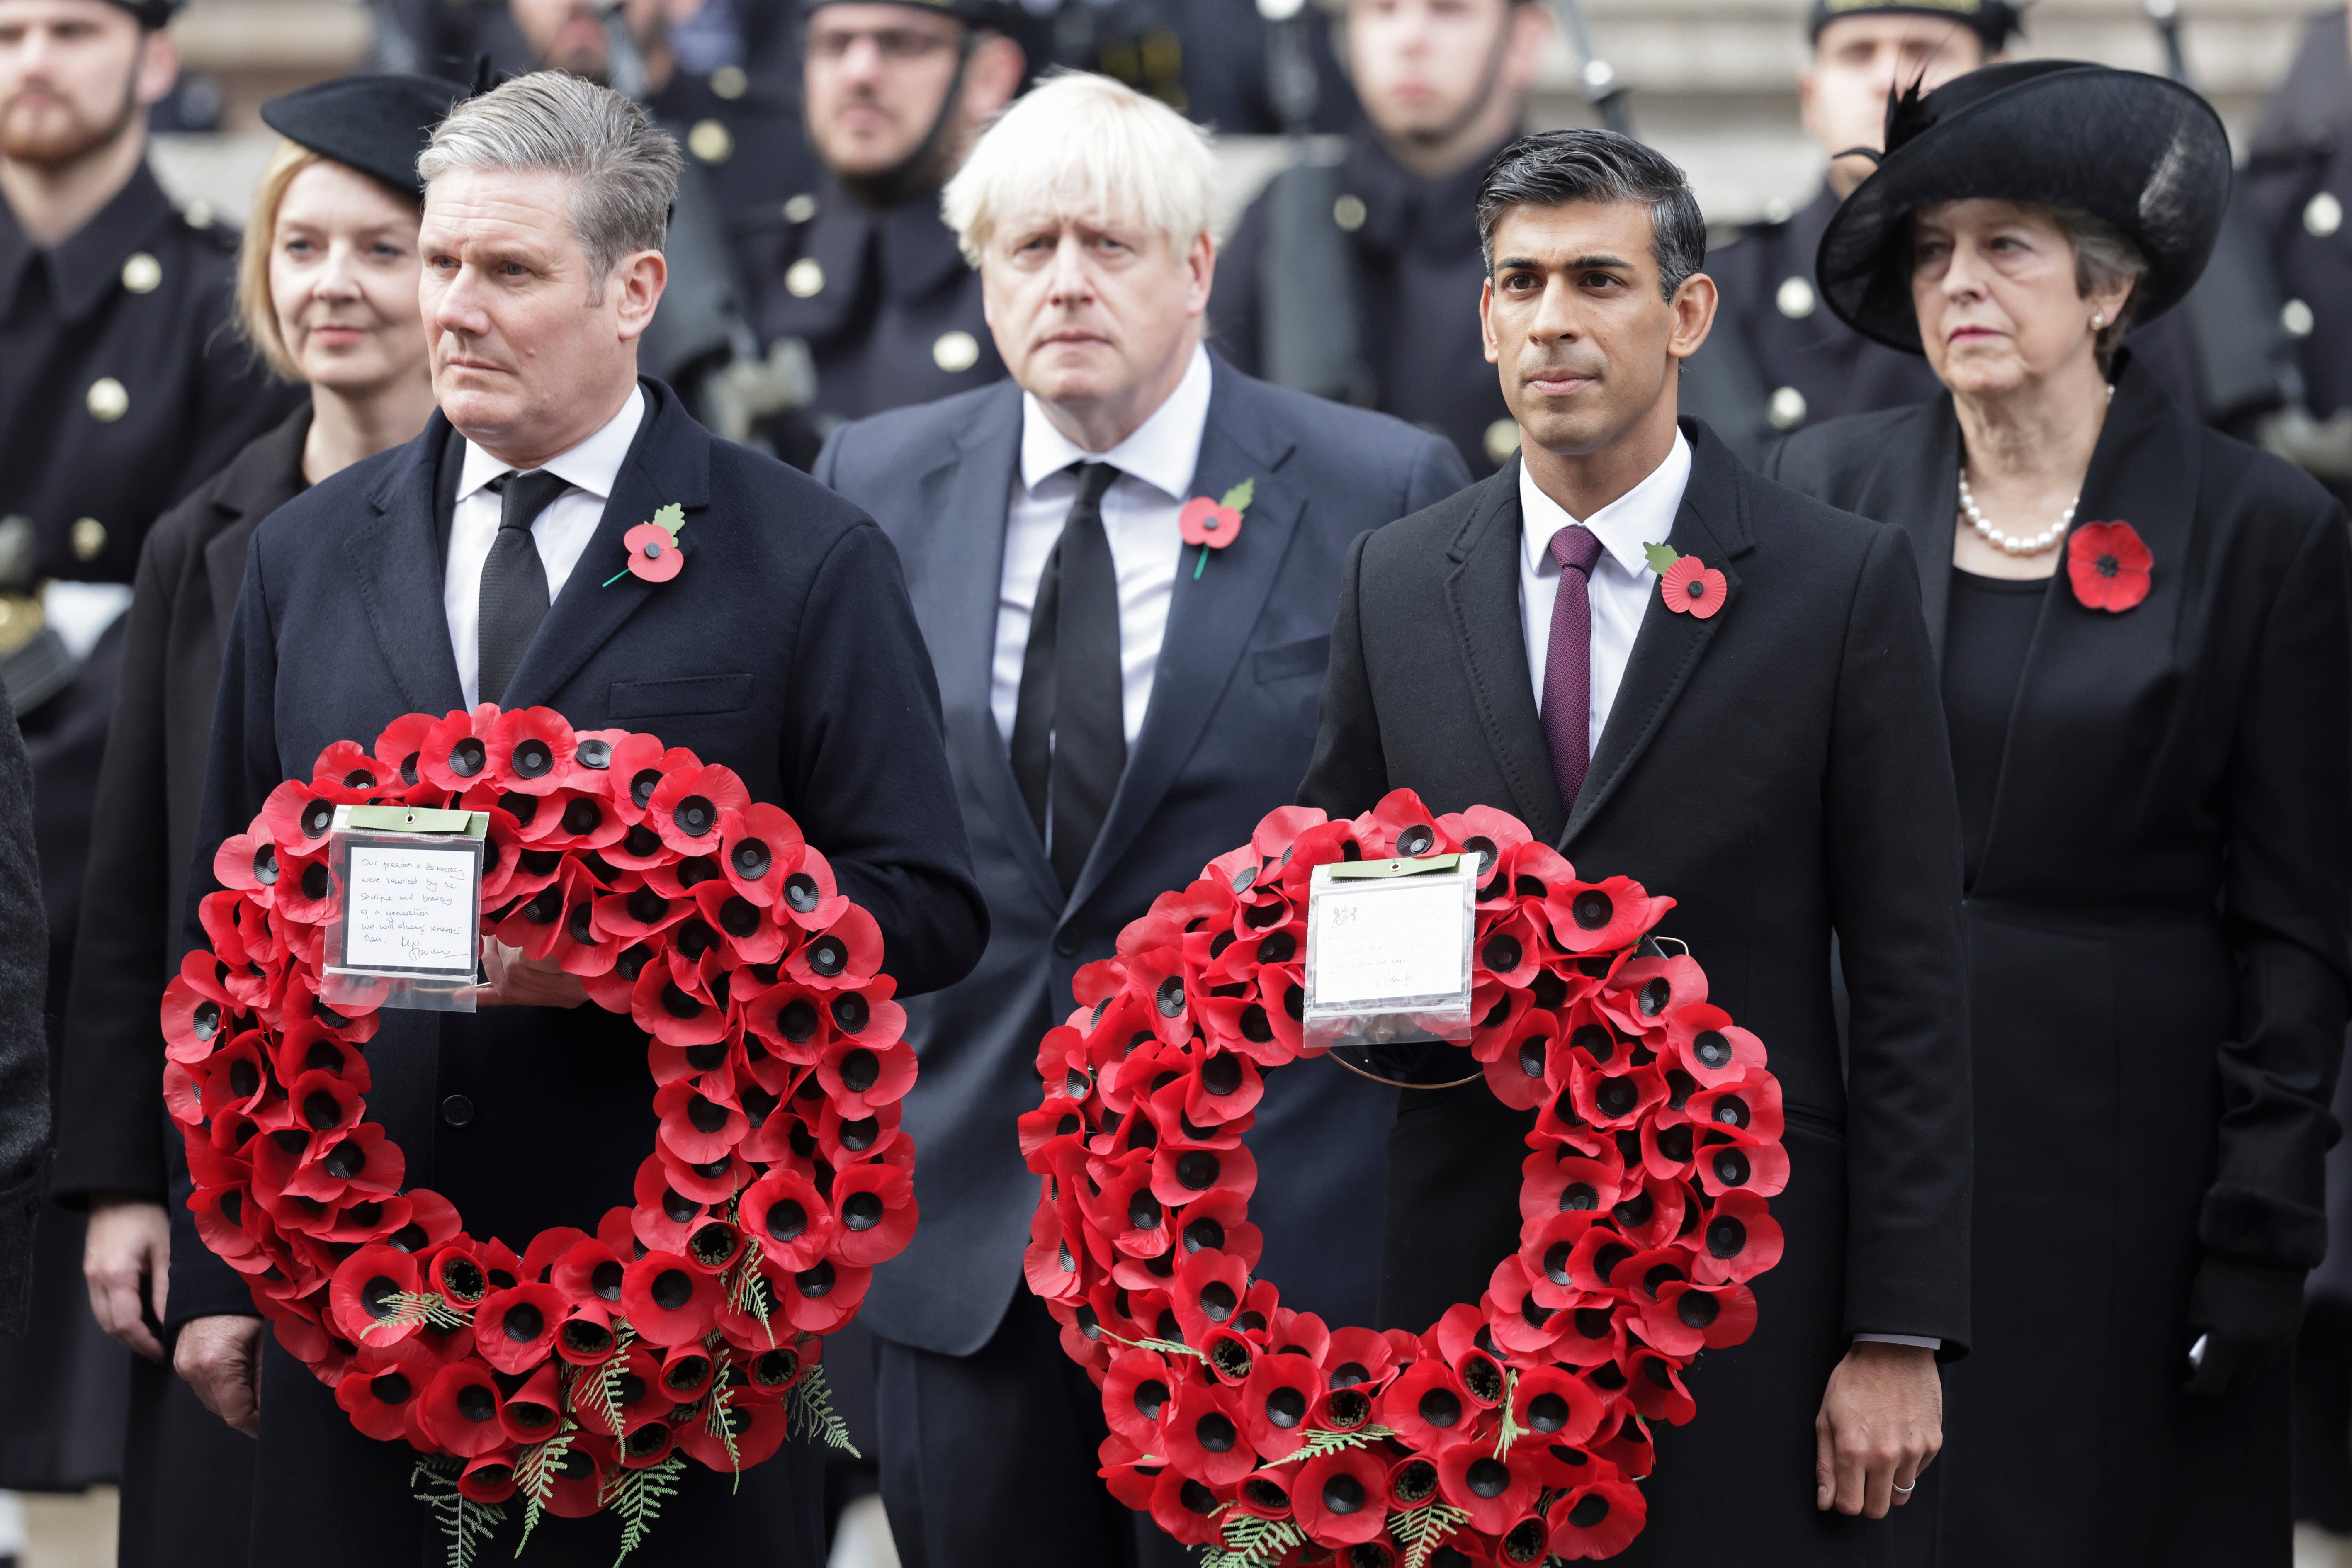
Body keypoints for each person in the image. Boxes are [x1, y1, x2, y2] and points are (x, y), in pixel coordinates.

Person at [167, 70, 986, 1564]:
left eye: (510, 271)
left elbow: (922, 903)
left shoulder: (801, 553)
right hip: (360, 1299)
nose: (454, 310)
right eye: (442, 264)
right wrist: (216, 1262)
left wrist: (647, 943)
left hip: (679, 1329)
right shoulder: (299, 557)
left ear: (635, 289)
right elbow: (214, 935)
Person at [814, 72, 1469, 1568]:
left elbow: (1430, 847)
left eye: (1106, 246)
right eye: (1025, 247)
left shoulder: (1378, 487)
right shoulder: (874, 480)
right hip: (967, 1242)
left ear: (1195, 269)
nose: (1063, 283)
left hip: (1266, 1237)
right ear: (978, 275)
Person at [1298, 127, 1973, 1561]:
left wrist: (1896, 1328)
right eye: (1521, 282)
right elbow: (1337, 905)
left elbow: (1912, 977)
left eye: (1599, 279)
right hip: (1462, 1291)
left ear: (1685, 315)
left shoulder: (1838, 583)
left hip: (1743, 1284)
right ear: (1482, 318)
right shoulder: (1396, 578)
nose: (1553, 319)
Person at [1767, 61, 2352, 1566]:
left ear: (2108, 291)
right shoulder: (1813, 492)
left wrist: (2260, 1223)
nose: (1956, 282)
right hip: (1860, 1167)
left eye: (2004, 245)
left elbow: (2295, 924)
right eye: (1928, 250)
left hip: (2130, 1179)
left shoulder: (2261, 531)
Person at [49, 72, 454, 1568]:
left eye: (380, 246)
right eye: (301, 246)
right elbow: (133, 880)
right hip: (239, 1170)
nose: (332, 284)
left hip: (451, 1134)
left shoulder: (514, 526)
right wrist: (120, 1181)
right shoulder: (204, 534)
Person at [0, 0, 303, 1503]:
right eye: (5, 32)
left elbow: (202, 612)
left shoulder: (209, 306)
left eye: (70, 26)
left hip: (88, 825)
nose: (33, 61)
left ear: (156, 59)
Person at [1212, 0, 1552, 477]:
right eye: (1382, 10)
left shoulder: (1584, 230)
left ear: (1523, 41)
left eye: (1448, 11)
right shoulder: (1285, 218)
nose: (1409, 39)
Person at [1696, 0, 2014, 454]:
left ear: (1998, 85)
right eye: (1856, 53)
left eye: (1926, 51)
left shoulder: (2070, 282)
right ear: (1810, 97)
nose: (1888, 80)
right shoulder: (1712, 291)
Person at [734, 0, 1027, 467]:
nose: (860, 72)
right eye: (833, 44)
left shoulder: (1030, 276)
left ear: (988, 76)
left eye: (902, 44)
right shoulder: (745, 266)